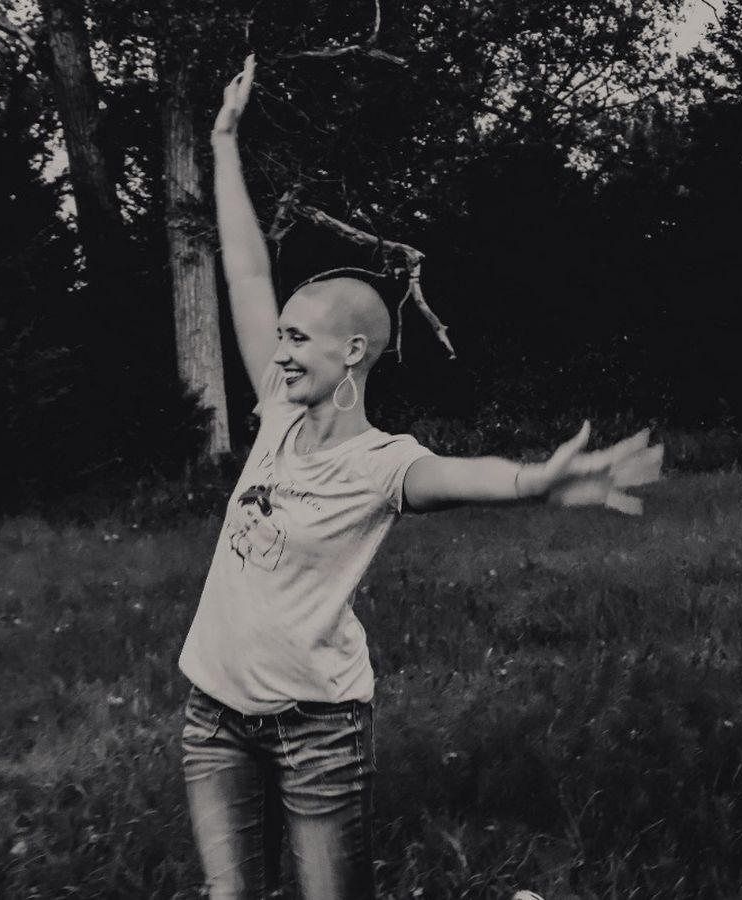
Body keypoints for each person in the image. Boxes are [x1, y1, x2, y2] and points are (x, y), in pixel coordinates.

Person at [178, 55, 663, 900]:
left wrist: (539, 481)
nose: (280, 351)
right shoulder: (278, 414)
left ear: (351, 352)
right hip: (213, 716)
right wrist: (223, 141)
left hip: (316, 728)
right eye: (280, 336)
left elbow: (458, 476)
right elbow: (246, 274)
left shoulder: (383, 462)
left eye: (298, 339)